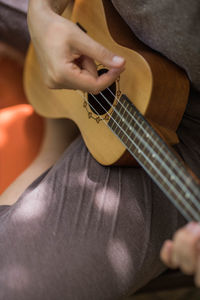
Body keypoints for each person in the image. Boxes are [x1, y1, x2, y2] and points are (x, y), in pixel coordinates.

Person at [0, 0, 199, 298]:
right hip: (88, 20)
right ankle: (66, 123)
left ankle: (61, 131)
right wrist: (42, 12)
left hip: (176, 135)